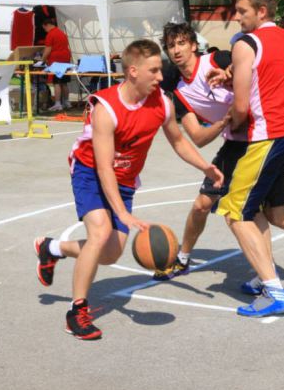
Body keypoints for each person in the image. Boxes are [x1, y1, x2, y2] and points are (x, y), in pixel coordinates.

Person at [33, 39, 223, 340]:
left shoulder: (161, 102)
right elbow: (104, 165)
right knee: (99, 233)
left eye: (161, 70)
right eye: (155, 70)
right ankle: (76, 312)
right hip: (90, 172)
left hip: (125, 179)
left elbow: (177, 140)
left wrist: (204, 167)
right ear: (133, 71)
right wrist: (121, 212)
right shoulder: (106, 108)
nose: (161, 77)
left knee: (108, 254)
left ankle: (51, 248)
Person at [155, 22, 284, 294]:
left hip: (263, 138)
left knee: (266, 213)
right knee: (208, 205)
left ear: (193, 44)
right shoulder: (179, 91)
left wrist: (229, 73)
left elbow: (249, 67)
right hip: (236, 144)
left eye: (181, 43)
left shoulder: (217, 59)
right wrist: (224, 122)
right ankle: (184, 259)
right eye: (171, 46)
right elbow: (198, 137)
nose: (177, 49)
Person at [41, 17, 72, 111]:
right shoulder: (62, 33)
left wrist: (42, 60)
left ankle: (58, 103)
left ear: (47, 25)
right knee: (64, 82)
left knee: (57, 82)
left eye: (44, 28)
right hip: (66, 59)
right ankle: (66, 102)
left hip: (56, 60)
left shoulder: (50, 34)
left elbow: (48, 50)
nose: (45, 30)